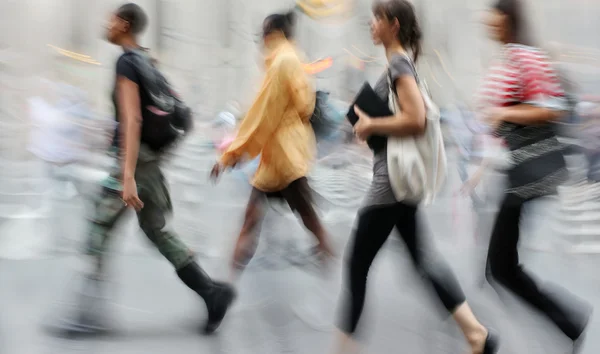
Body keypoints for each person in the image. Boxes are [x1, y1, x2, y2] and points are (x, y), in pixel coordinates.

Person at [329, 1, 498, 353]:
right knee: (423, 260)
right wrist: (368, 127)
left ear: (393, 24)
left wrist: (373, 123)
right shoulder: (399, 63)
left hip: (389, 184)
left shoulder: (399, 64)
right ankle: (476, 334)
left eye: (376, 19)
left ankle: (343, 349)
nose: (371, 24)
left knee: (356, 265)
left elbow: (416, 118)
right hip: (397, 183)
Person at [57, 3, 235, 336]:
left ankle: (87, 316)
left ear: (124, 24)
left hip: (133, 163)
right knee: (157, 230)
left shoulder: (127, 62)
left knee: (98, 230)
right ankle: (212, 293)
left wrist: (126, 177)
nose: (106, 24)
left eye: (110, 20)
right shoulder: (146, 60)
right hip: (150, 162)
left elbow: (132, 119)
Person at [479, 0, 592, 352]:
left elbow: (551, 108)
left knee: (500, 267)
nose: (486, 20)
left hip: (527, 173)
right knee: (500, 267)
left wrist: (500, 112)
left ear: (506, 18)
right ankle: (568, 323)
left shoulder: (524, 56)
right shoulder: (513, 57)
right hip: (518, 171)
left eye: (492, 13)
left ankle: (569, 322)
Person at [210, 10, 335, 282]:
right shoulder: (294, 59)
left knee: (297, 219)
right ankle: (224, 285)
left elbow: (263, 115)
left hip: (283, 159)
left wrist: (230, 156)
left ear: (272, 33)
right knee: (263, 219)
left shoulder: (280, 64)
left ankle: (224, 285)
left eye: (263, 34)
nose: (261, 40)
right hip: (287, 155)